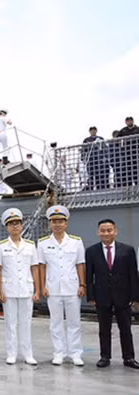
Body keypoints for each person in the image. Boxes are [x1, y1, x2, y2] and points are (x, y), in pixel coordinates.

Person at [85, 219, 139, 369]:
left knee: (126, 328)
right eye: (103, 230)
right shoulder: (91, 251)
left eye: (109, 230)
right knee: (104, 329)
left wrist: (135, 297)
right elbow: (89, 275)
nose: (106, 233)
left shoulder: (127, 250)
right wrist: (91, 296)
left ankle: (129, 358)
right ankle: (105, 356)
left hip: (123, 295)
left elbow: (133, 274)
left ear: (115, 231)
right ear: (98, 232)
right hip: (102, 296)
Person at [37, 206, 86, 366]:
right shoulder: (43, 243)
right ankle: (59, 352)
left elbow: (80, 264)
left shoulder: (76, 242)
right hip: (53, 288)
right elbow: (42, 266)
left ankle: (75, 353)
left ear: (66, 223)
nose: (57, 224)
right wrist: (43, 286)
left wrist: (82, 284)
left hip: (72, 287)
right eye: (54, 221)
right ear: (50, 224)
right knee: (55, 322)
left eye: (60, 221)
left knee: (74, 322)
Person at [0, 208, 40, 365]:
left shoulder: (30, 245)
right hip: (9, 289)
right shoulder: (0, 246)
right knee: (10, 323)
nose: (15, 227)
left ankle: (28, 354)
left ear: (22, 226)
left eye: (17, 223)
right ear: (6, 227)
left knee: (26, 322)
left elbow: (34, 268)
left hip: (26, 288)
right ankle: (11, 353)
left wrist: (38, 289)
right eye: (11, 224)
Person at [117, 116, 139, 187]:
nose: (129, 122)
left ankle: (137, 185)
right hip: (127, 153)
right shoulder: (123, 130)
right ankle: (128, 187)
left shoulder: (137, 129)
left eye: (130, 120)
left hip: (136, 152)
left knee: (136, 169)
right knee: (127, 170)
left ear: (133, 121)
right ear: (126, 122)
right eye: (128, 121)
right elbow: (117, 139)